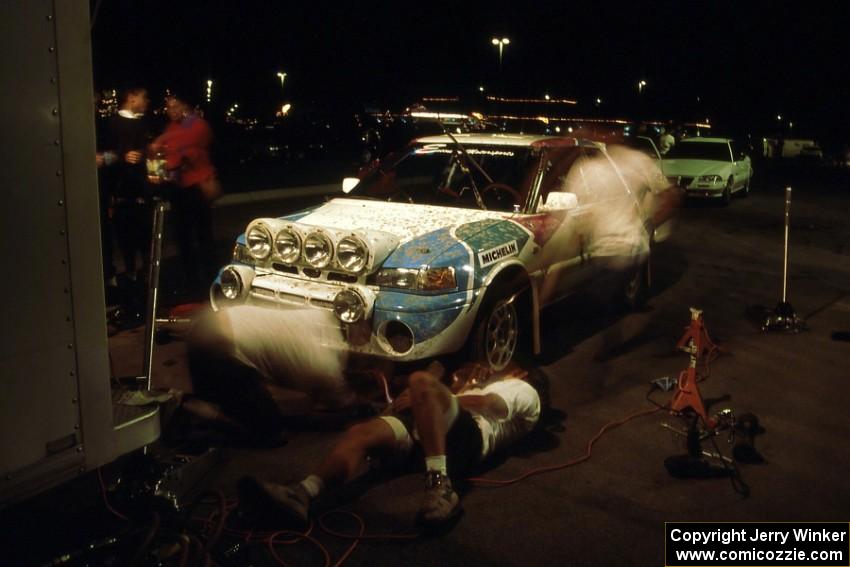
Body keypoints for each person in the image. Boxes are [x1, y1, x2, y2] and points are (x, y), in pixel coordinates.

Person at [239, 361, 546, 528]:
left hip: (469, 443)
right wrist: (455, 383)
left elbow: (487, 403)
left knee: (420, 381)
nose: (498, 366)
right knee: (363, 433)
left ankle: (441, 486)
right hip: (430, 435)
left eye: (508, 365)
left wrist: (432, 393)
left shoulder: (522, 388)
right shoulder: (489, 380)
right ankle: (304, 492)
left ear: (521, 371)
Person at [152, 92, 219, 291]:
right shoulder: (173, 127)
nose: (171, 110)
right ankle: (192, 279)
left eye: (175, 106)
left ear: (186, 107)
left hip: (197, 188)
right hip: (179, 189)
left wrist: (161, 143)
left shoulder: (195, 124)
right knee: (184, 236)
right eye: (168, 107)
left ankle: (208, 278)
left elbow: (184, 142)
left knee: (202, 235)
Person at [105, 87, 154, 281]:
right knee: (126, 241)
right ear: (131, 98)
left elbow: (148, 154)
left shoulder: (143, 124)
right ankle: (131, 275)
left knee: (146, 240)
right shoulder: (112, 124)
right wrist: (121, 157)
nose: (146, 102)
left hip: (143, 193)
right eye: (144, 97)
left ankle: (148, 277)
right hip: (122, 194)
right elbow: (102, 157)